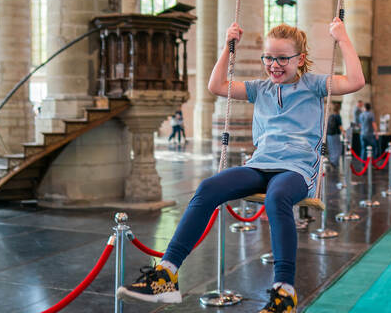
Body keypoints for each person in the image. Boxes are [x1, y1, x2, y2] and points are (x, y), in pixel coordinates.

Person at [118, 18, 365, 311]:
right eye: (268, 57)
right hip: (260, 164)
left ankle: (284, 291)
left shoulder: (313, 85)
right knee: (208, 187)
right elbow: (216, 85)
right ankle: (166, 275)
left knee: (277, 197)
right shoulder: (259, 88)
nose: (274, 64)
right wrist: (227, 46)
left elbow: (356, 81)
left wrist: (343, 38)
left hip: (296, 170)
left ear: (299, 59)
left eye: (282, 58)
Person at [327, 103, 343, 168]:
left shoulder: (330, 116)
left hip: (329, 134)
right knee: (338, 148)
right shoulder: (338, 116)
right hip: (335, 134)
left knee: (331, 148)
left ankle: (332, 160)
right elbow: (340, 126)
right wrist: (344, 132)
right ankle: (334, 162)